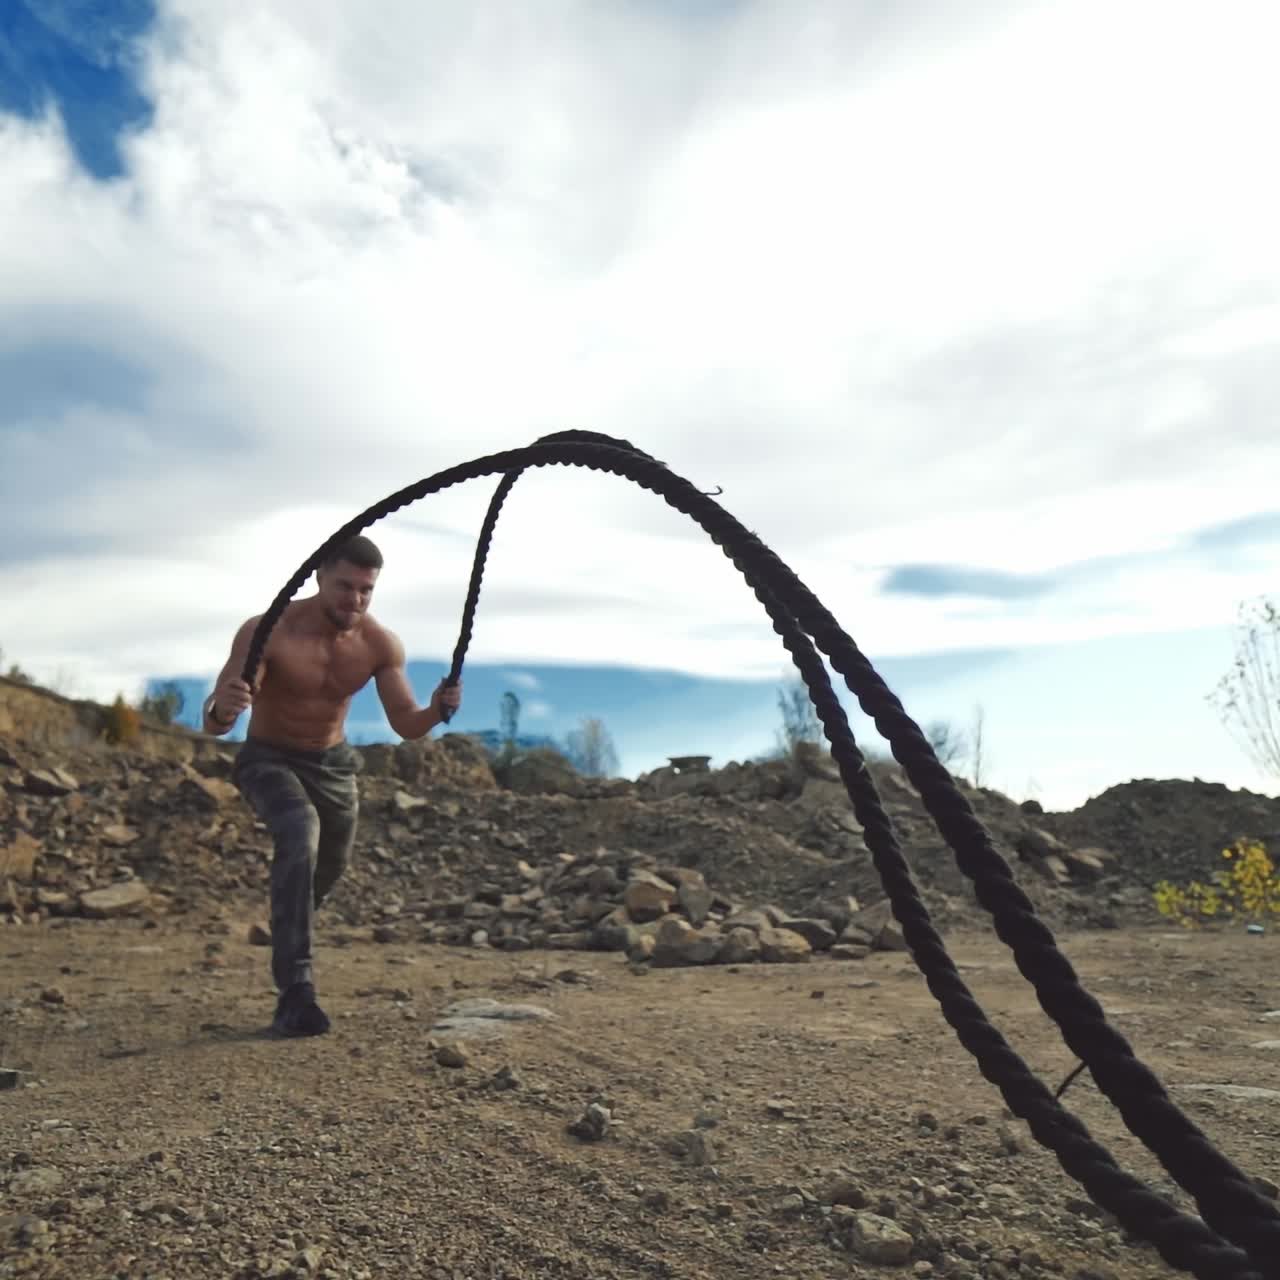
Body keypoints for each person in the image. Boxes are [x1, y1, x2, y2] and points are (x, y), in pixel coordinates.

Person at [202, 534, 462, 1037]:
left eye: (367, 590)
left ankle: (288, 920)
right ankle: (296, 992)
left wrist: (437, 708)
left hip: (333, 763)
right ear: (319, 576)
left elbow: (407, 724)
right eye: (346, 586)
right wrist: (223, 705)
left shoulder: (379, 644)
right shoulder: (268, 630)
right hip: (269, 758)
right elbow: (218, 721)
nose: (356, 600)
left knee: (331, 862)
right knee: (300, 830)